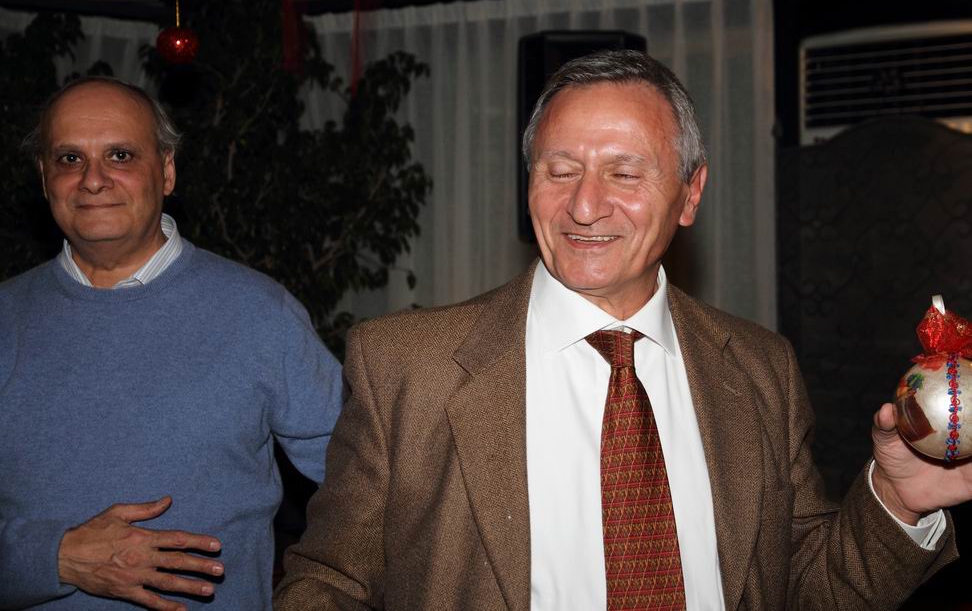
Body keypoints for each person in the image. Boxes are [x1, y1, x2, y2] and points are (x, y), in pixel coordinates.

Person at [274, 49, 965, 610]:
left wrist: (896, 502)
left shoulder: (761, 369)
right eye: (560, 170)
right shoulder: (404, 367)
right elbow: (331, 582)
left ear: (690, 193)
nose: (584, 204)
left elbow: (805, 589)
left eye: (624, 172)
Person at [0, 77, 342, 610]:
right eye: (69, 158)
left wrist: (317, 596)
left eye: (120, 155)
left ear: (166, 170)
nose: (93, 180)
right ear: (44, 178)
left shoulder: (259, 314)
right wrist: (56, 557)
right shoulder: (6, 319)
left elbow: (371, 485)